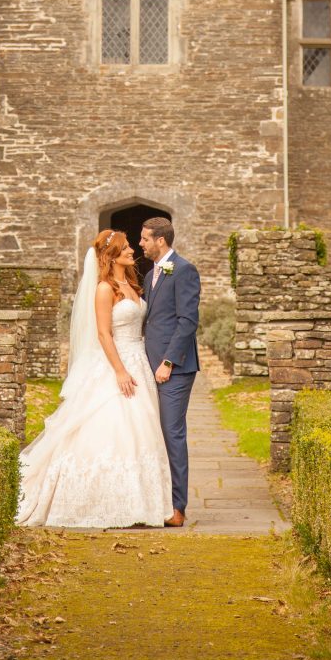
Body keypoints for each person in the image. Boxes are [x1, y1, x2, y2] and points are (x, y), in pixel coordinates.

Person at [16, 229, 173, 528]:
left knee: (142, 429)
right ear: (111, 255)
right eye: (125, 248)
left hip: (138, 359)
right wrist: (119, 370)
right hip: (118, 363)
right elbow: (103, 333)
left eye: (130, 246)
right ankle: (99, 500)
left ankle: (140, 501)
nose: (131, 251)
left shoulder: (132, 283)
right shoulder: (104, 288)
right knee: (114, 425)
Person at [140, 216, 200, 528]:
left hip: (174, 368)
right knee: (151, 433)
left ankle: (178, 508)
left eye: (145, 238)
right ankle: (156, 499)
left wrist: (168, 362)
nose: (141, 244)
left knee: (172, 433)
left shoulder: (185, 270)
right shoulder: (152, 273)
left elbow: (187, 321)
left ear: (160, 240)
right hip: (148, 364)